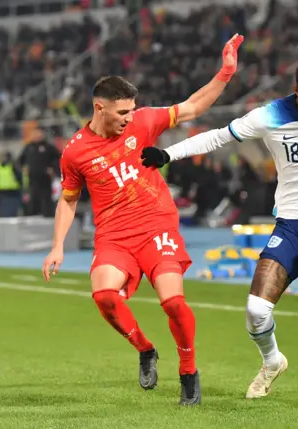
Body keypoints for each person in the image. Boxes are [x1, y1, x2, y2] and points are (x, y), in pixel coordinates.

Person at [141, 58, 298, 398]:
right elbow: (218, 137)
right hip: (291, 220)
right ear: (296, 91)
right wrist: (167, 154)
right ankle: (272, 361)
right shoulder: (269, 116)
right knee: (256, 311)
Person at [42, 34, 244, 406]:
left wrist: (226, 73)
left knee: (172, 303)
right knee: (104, 297)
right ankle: (145, 348)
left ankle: (188, 373)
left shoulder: (144, 122)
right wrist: (57, 245)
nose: (130, 118)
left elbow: (192, 108)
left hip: (157, 227)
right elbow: (68, 200)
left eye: (132, 111)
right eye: (122, 113)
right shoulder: (76, 152)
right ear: (99, 108)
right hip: (114, 236)